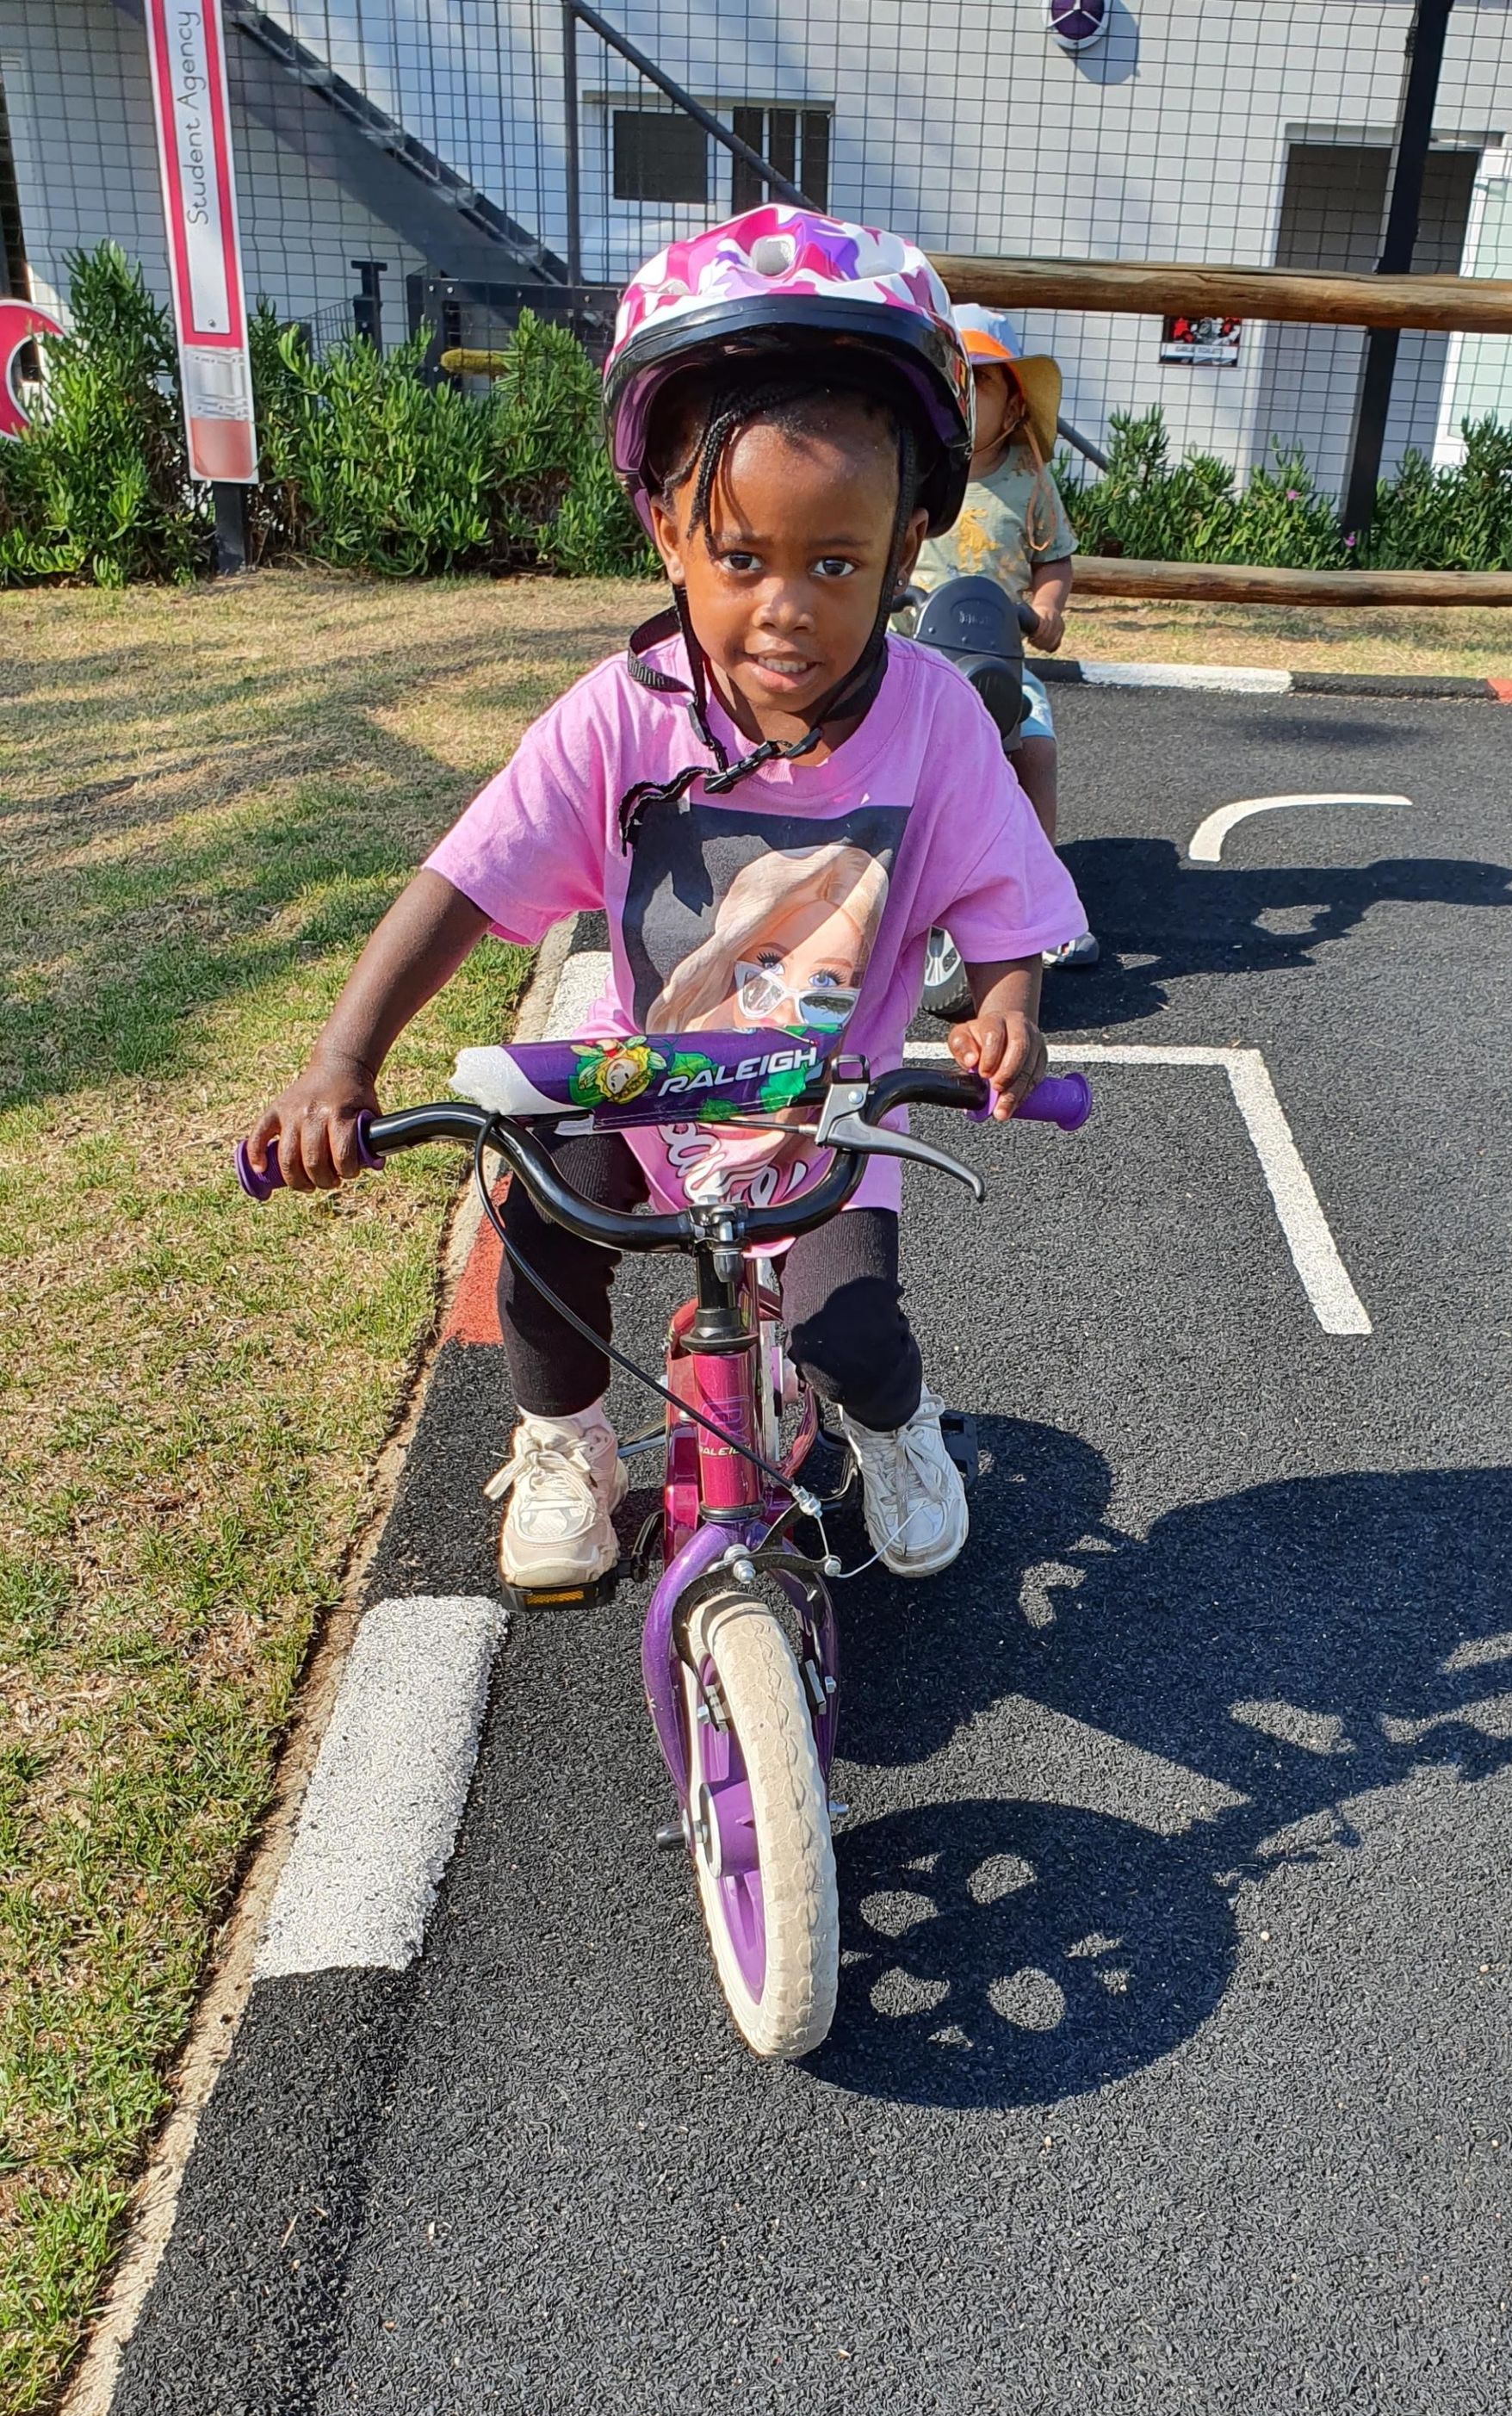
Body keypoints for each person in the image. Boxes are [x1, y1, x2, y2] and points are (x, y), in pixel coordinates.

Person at [243, 207, 1085, 1594]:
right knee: (541, 1219)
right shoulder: (618, 719)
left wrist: (1008, 1008)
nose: (787, 614)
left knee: (853, 1332)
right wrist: (343, 1062)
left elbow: (1005, 899)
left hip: (823, 1111)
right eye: (742, 559)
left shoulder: (934, 722)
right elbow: (462, 880)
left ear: (907, 539)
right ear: (666, 533)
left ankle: (894, 1423)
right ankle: (568, 1437)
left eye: (836, 564)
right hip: (648, 1091)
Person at [912, 305, 1099, 970]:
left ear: (1014, 402)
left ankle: (1038, 896)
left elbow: (1055, 558)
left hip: (1000, 656)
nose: (964, 396)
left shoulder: (1028, 476)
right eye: (952, 381)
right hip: (913, 654)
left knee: (1036, 750)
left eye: (981, 383)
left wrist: (1048, 605)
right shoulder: (916, 466)